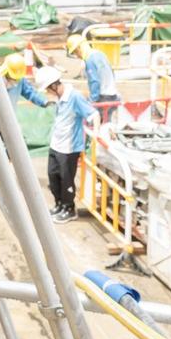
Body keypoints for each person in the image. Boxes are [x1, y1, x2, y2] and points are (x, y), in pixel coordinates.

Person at [41, 66, 96, 222]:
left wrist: (94, 139)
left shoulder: (74, 97)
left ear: (53, 85)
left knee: (66, 180)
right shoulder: (61, 98)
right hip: (56, 144)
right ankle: (59, 204)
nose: (47, 93)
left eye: (47, 89)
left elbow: (93, 114)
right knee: (53, 176)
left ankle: (69, 208)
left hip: (69, 147)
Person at [67, 32, 121, 114]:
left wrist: (92, 101)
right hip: (113, 95)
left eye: (75, 52)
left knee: (97, 122)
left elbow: (95, 81)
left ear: (79, 48)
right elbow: (111, 72)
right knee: (108, 123)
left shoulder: (90, 60)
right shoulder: (100, 54)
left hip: (102, 97)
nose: (77, 56)